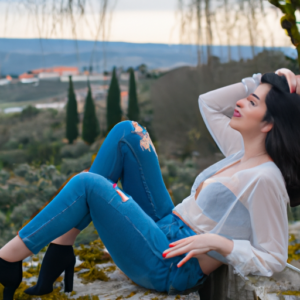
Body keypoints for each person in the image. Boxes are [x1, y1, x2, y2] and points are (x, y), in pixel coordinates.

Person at [0, 68, 299, 300]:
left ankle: (8, 258)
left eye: (252, 102)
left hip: (171, 265)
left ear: (268, 123)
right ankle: (62, 245)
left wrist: (219, 243)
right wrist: (263, 80)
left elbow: (273, 257)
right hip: (165, 228)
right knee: (128, 133)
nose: (239, 102)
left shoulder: (266, 178)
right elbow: (208, 103)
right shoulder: (241, 150)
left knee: (88, 184)